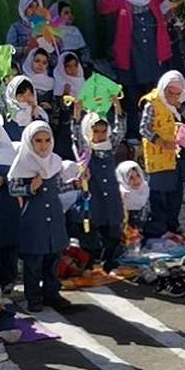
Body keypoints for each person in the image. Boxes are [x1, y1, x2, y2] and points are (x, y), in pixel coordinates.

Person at [98, 0, 174, 140]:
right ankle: (133, 133)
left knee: (154, 95)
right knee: (132, 96)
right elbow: (103, 7)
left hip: (153, 56)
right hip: (130, 56)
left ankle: (155, 131)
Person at [7, 122, 73, 311]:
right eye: (38, 141)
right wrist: (29, 188)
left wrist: (77, 180)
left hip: (54, 217)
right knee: (34, 263)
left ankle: (51, 294)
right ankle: (34, 298)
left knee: (53, 259)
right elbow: (12, 188)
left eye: (47, 140)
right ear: (29, 141)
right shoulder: (22, 163)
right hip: (33, 220)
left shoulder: (54, 162)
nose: (43, 145)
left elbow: (60, 186)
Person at [139, 71, 185, 236]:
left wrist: (180, 107)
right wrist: (161, 142)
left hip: (176, 156)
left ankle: (172, 226)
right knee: (159, 195)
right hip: (158, 157)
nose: (173, 96)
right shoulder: (152, 103)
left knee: (175, 194)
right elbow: (144, 128)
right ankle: (158, 229)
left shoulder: (180, 104)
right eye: (170, 92)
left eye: (177, 93)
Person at [75, 113, 125, 272]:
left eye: (103, 131)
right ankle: (89, 261)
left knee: (113, 231)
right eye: (96, 131)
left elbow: (121, 130)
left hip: (111, 196)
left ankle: (109, 260)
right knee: (91, 230)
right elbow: (76, 134)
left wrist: (117, 107)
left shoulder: (111, 146)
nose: (100, 135)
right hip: (94, 197)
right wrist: (77, 115)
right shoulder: (86, 150)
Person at [0, 112, 21, 294]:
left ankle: (8, 280)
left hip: (7, 205)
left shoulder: (10, 151)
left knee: (9, 243)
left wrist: (4, 180)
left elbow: (20, 177)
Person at [50, 51, 85, 159]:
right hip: (65, 127)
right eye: (68, 66)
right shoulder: (59, 83)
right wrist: (65, 95)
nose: (73, 69)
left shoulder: (83, 82)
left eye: (75, 65)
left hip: (82, 125)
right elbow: (58, 109)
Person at [116, 160, 150, 242]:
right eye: (131, 178)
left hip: (145, 228)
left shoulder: (145, 188)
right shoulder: (121, 194)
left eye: (138, 175)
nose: (136, 180)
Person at [1, 77, 40, 141]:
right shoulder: (9, 117)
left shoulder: (38, 113)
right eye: (21, 96)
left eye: (29, 94)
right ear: (13, 96)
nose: (26, 98)